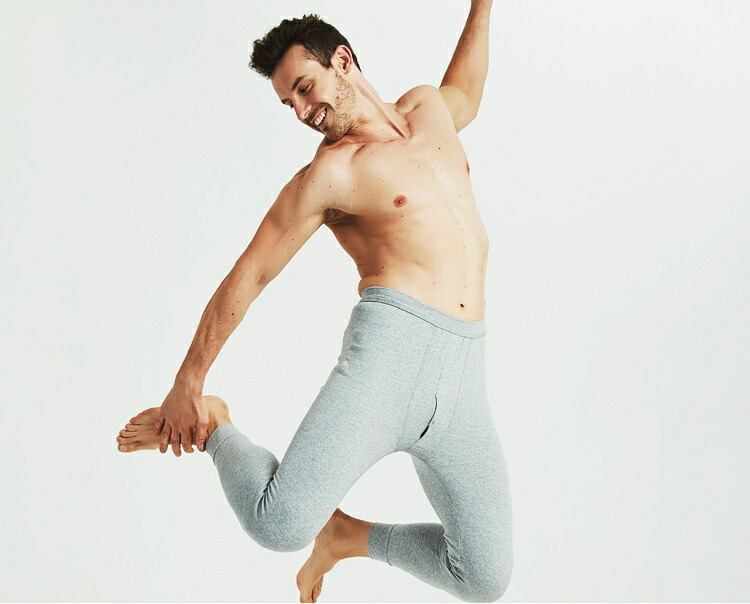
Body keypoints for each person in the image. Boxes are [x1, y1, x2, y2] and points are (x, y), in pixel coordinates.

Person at [116, 3, 512, 601]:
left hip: (464, 374)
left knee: (483, 577)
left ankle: (347, 536)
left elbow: (468, 93)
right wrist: (189, 383)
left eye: (304, 88)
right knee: (276, 524)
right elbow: (251, 273)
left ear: (342, 61)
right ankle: (218, 424)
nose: (302, 112)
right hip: (390, 363)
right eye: (289, 104)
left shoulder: (428, 110)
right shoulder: (330, 175)